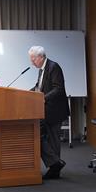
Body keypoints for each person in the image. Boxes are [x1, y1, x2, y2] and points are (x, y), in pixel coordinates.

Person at [29, 46, 69, 180]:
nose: (32, 62)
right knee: (37, 136)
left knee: (53, 140)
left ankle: (55, 170)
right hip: (44, 110)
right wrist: (26, 93)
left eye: (33, 59)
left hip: (55, 111)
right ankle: (55, 163)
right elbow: (38, 86)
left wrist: (43, 98)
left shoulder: (53, 67)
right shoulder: (42, 69)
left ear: (41, 57)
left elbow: (59, 89)